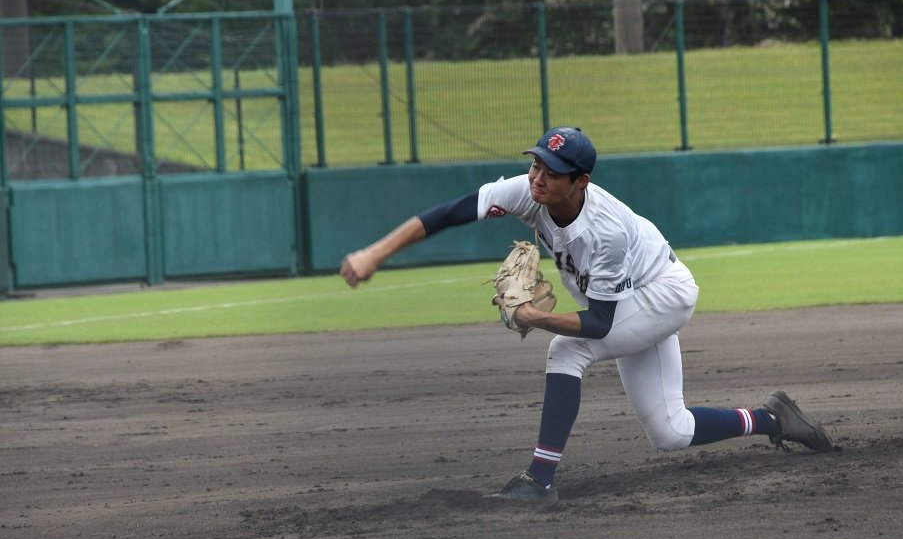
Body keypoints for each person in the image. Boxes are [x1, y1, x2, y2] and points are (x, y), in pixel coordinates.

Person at [340, 126, 836, 502]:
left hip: (663, 294)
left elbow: (599, 323)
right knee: (671, 432)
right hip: (633, 299)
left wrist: (533, 316)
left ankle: (540, 479)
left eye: (551, 172)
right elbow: (450, 211)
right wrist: (375, 254)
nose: (536, 177)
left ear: (581, 181)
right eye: (535, 164)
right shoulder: (527, 191)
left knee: (568, 348)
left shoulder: (605, 232)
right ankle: (773, 419)